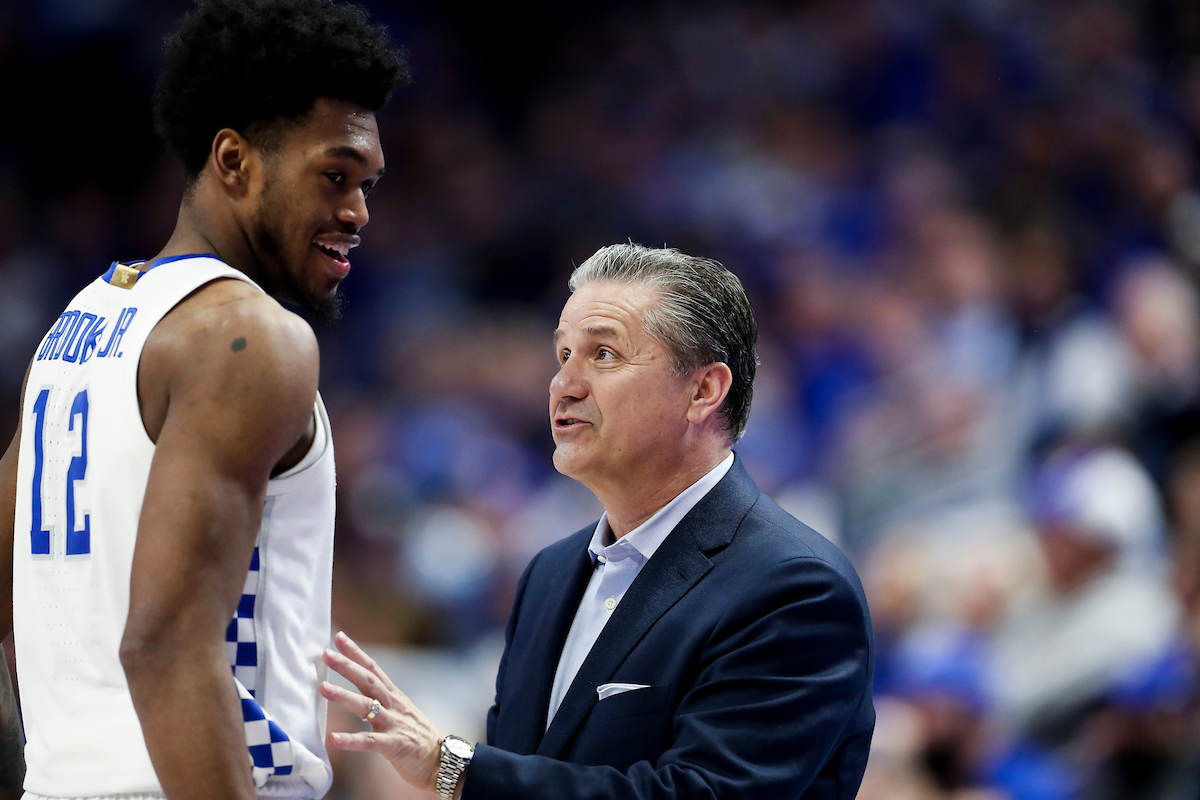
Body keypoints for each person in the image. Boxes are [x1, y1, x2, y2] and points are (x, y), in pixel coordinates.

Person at [0, 1, 408, 798]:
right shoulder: (253, 338)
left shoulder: (77, 327)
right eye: (334, 175)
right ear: (234, 161)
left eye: (367, 184)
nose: (358, 212)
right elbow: (166, 642)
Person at [320, 243, 876, 799]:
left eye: (603, 354)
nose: (564, 384)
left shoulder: (794, 588)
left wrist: (456, 768)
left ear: (703, 390)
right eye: (563, 355)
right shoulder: (548, 574)